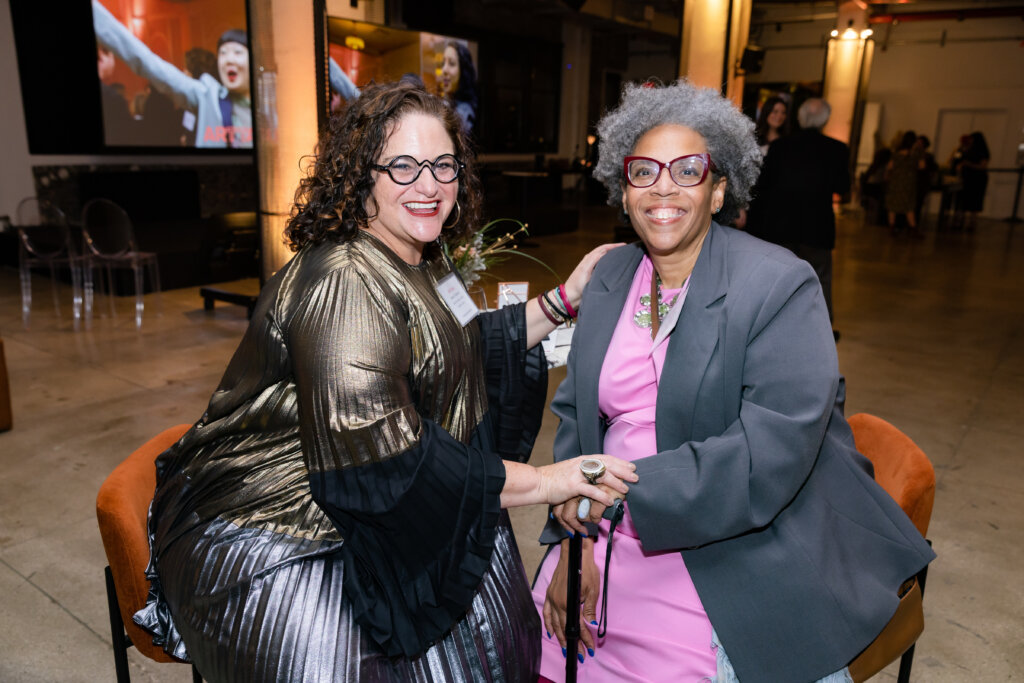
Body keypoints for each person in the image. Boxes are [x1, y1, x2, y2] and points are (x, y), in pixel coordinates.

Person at [130, 80, 635, 682]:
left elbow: (461, 345)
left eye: (443, 165)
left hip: (364, 488)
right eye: (402, 166)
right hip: (281, 523)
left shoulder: (421, 254)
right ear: (360, 175)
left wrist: (564, 298)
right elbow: (382, 459)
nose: (429, 186)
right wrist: (549, 479)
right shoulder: (344, 279)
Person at [531, 80, 935, 683]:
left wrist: (609, 498)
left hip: (731, 534)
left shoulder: (779, 284)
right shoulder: (612, 274)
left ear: (719, 190)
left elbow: (770, 453)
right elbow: (575, 415)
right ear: (624, 189)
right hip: (603, 524)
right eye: (643, 171)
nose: (663, 187)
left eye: (687, 170)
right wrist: (576, 540)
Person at [92, 0, 252, 148]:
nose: (229, 60)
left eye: (238, 53)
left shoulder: (268, 107)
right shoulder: (206, 96)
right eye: (223, 53)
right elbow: (147, 62)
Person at [747, 97, 849, 325]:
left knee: (777, 278)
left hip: (780, 226)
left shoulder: (781, 147)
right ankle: (821, 327)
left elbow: (764, 187)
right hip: (817, 227)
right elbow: (843, 189)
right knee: (819, 280)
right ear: (825, 119)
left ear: (800, 118)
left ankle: (773, 324)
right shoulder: (837, 149)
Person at [885, 131, 922, 236]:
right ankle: (913, 228)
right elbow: (922, 166)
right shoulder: (914, 155)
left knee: (893, 205)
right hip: (908, 183)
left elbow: (889, 167)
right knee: (909, 206)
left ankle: (892, 226)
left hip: (896, 182)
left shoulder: (897, 153)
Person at [439, 40, 478, 133]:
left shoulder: (464, 114)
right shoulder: (448, 101)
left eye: (451, 63)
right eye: (443, 63)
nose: (444, 69)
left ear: (463, 72)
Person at [954, 131, 991, 231]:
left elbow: (983, 166)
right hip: (967, 178)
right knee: (964, 199)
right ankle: (960, 220)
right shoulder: (966, 149)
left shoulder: (982, 151)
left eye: (971, 139)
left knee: (975, 201)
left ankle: (972, 222)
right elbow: (956, 157)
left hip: (977, 179)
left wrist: (968, 164)